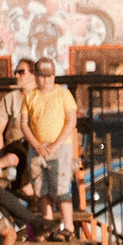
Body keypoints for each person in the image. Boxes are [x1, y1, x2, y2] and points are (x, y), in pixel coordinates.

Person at [18, 60, 78, 235]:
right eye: (42, 76)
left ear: (54, 75)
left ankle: (68, 227)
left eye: (49, 76)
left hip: (59, 148)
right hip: (37, 149)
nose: (46, 80)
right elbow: (24, 124)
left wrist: (56, 144)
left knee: (62, 188)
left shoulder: (63, 94)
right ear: (36, 77)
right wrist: (36, 144)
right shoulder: (31, 96)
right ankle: (48, 224)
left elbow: (71, 121)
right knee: (41, 188)